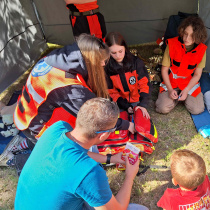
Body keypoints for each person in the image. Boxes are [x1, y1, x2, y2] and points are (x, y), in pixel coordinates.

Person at [15, 98, 145, 210]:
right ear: (103, 135)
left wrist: (111, 158)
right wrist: (130, 175)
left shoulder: (57, 128)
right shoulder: (90, 173)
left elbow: (76, 153)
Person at [14, 34, 134, 143]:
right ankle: (29, 148)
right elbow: (95, 116)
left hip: (25, 112)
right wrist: (126, 125)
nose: (103, 64)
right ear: (90, 60)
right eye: (101, 61)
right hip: (37, 127)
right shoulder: (69, 87)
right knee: (78, 145)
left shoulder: (60, 57)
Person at [156, 16, 207, 115]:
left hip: (189, 83)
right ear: (182, 31)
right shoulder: (172, 44)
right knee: (162, 108)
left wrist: (187, 89)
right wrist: (170, 90)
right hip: (172, 82)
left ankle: (183, 96)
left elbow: (197, 74)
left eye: (192, 36)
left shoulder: (202, 50)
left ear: (198, 36)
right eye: (186, 34)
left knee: (197, 109)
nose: (187, 38)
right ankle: (176, 97)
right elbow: (164, 70)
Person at [105, 32, 151, 119]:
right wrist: (125, 106)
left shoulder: (136, 63)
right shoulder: (107, 68)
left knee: (139, 119)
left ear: (125, 48)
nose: (118, 56)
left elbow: (144, 84)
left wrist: (143, 104)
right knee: (117, 121)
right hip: (119, 102)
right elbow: (111, 92)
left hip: (136, 100)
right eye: (113, 53)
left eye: (120, 51)